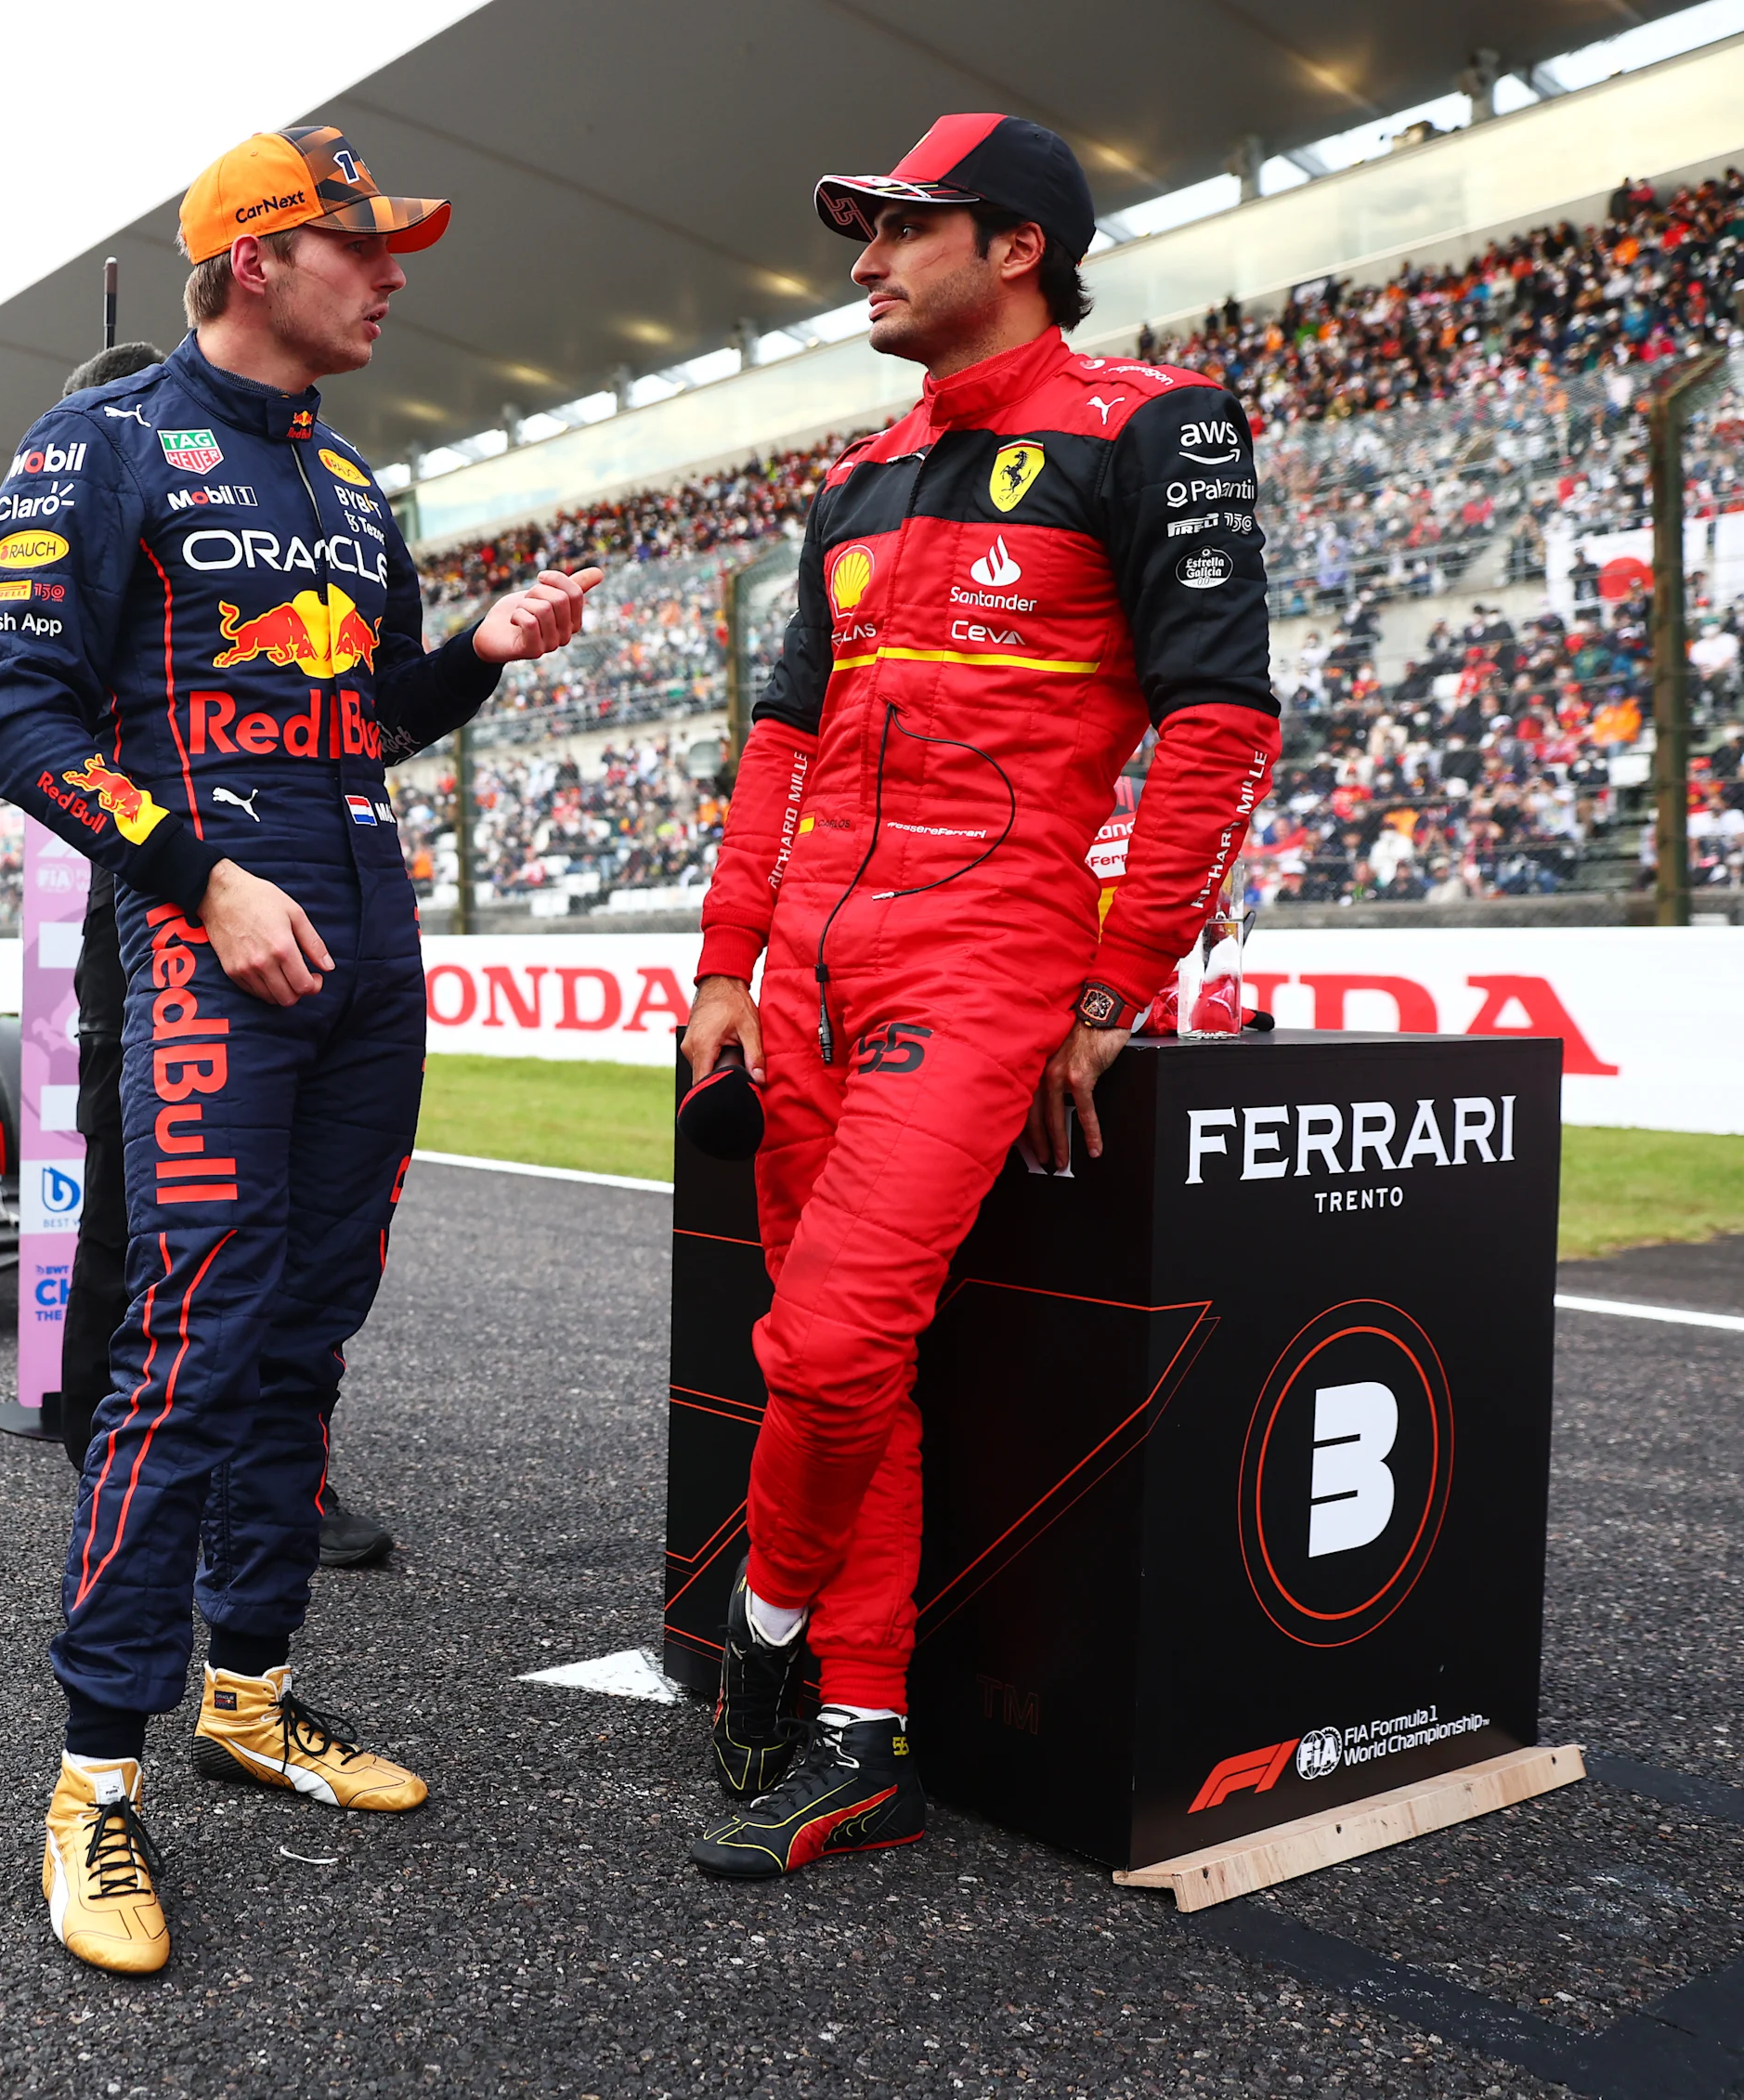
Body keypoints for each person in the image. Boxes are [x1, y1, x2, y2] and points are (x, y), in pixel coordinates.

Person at [0, 124, 600, 1974]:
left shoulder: (352, 482)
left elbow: (371, 714)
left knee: (311, 1331)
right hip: (208, 952)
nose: (390, 274)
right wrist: (200, 878)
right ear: (255, 260)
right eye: (360, 246)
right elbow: (13, 719)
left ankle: (250, 1691)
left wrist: (477, 646)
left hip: (366, 941)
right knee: (191, 1343)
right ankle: (95, 1772)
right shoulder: (99, 444)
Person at [677, 114, 1281, 1879]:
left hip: (985, 949)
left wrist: (1122, 970)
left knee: (834, 1343)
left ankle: (767, 1643)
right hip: (810, 972)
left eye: (898, 229)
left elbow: (1219, 718)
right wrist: (728, 959)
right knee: (842, 1374)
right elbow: (779, 736)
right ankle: (864, 1734)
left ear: (1015, 244)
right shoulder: (855, 483)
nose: (862, 262)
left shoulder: (1158, 427)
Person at [42, 340, 396, 1573]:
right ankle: (114, 1433)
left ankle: (256, 1477)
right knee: (140, 1202)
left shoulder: (321, 487)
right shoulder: (98, 493)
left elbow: (372, 696)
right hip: (144, 894)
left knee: (275, 1232)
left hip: (251, 882)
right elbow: (37, 720)